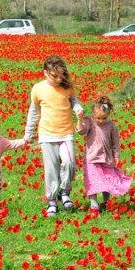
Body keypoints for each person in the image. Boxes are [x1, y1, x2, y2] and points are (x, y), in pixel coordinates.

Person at [23, 55, 85, 216]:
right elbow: (34, 113)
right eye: (54, 76)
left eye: (61, 75)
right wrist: (29, 133)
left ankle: (64, 192)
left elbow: (74, 100)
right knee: (51, 169)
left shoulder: (67, 87)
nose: (58, 79)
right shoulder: (38, 89)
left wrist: (78, 108)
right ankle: (51, 201)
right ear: (45, 72)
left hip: (66, 134)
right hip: (47, 135)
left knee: (70, 163)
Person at [75, 96, 132, 214]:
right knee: (92, 181)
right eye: (98, 118)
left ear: (109, 114)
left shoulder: (111, 126)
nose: (101, 121)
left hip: (107, 158)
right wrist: (80, 120)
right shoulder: (90, 122)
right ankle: (94, 205)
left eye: (104, 118)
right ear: (93, 115)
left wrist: (116, 156)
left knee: (107, 182)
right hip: (92, 158)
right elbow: (81, 132)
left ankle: (106, 202)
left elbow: (115, 142)